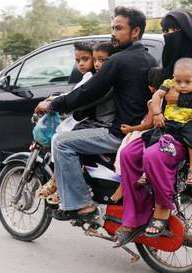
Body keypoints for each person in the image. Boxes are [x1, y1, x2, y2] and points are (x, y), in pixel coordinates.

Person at [114, 9, 192, 247]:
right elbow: (161, 91)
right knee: (128, 154)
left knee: (154, 156)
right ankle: (136, 217)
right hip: (164, 131)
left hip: (189, 134)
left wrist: (180, 101)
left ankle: (162, 208)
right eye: (164, 30)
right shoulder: (172, 64)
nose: (168, 35)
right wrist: (157, 107)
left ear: (186, 32)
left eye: (173, 30)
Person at [34, 6, 158, 221]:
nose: (113, 33)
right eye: (112, 28)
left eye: (118, 28)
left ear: (135, 31)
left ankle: (82, 205)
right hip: (145, 131)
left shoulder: (118, 61)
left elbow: (88, 92)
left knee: (62, 142)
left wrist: (53, 105)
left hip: (121, 133)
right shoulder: (148, 59)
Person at [36, 42, 95, 203]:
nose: (81, 63)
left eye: (85, 59)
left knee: (59, 139)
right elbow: (74, 94)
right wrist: (56, 98)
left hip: (85, 120)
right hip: (82, 117)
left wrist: (52, 102)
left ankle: (60, 182)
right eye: (78, 60)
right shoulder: (87, 77)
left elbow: (75, 97)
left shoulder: (92, 77)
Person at [151, 57, 192, 186]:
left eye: (187, 82)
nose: (182, 85)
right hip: (168, 121)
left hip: (188, 123)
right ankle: (146, 172)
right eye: (178, 81)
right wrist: (157, 113)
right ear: (173, 77)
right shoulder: (169, 83)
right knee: (153, 140)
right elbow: (156, 95)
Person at [110, 66, 162, 203]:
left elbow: (148, 124)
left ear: (151, 88)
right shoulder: (167, 99)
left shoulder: (153, 102)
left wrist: (130, 129)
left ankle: (123, 184)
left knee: (124, 151)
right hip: (155, 133)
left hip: (146, 132)